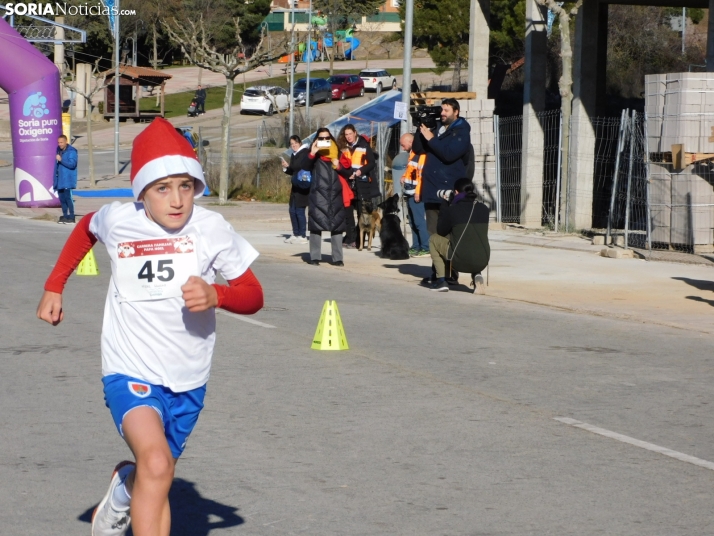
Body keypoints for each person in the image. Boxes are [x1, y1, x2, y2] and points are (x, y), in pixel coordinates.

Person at [36, 117, 264, 536]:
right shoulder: (121, 220)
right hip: (130, 369)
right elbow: (86, 227)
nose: (176, 200)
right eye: (162, 188)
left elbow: (253, 293)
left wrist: (219, 295)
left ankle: (125, 486)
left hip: (189, 378)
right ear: (141, 193)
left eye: (185, 186)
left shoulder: (211, 229)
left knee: (155, 474)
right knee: (157, 464)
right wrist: (55, 286)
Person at [413, 98, 473, 284]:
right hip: (432, 189)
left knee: (447, 235)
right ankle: (438, 272)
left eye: (446, 110)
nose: (442, 113)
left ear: (456, 112)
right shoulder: (438, 128)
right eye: (442, 110)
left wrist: (431, 138)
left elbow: (449, 154)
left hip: (449, 191)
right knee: (434, 234)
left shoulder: (462, 131)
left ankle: (449, 274)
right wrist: (421, 128)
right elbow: (418, 148)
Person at [426, 177, 490, 293]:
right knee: (472, 238)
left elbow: (441, 231)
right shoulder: (484, 208)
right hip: (483, 259)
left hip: (459, 261)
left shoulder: (453, 210)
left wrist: (445, 205)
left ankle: (441, 281)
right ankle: (477, 275)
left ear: (455, 192)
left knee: (434, 239)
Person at [302, 127, 346, 266]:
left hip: (335, 194)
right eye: (321, 138)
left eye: (327, 138)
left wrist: (338, 166)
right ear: (316, 140)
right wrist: (312, 153)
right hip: (318, 194)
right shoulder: (313, 154)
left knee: (337, 226)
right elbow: (304, 166)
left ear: (331, 138)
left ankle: (337, 258)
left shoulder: (338, 154)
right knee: (316, 225)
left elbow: (347, 171)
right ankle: (315, 257)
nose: (324, 141)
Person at [336, 124, 381, 249]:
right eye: (346, 134)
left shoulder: (364, 146)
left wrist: (361, 171)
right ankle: (351, 237)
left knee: (362, 213)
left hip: (362, 183)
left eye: (350, 134)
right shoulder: (343, 148)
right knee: (348, 212)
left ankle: (360, 239)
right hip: (348, 182)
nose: (348, 137)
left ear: (355, 133)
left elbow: (371, 163)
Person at [399, 133, 430, 257]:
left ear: (410, 142)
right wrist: (403, 177)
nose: (402, 147)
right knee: (412, 221)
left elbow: (421, 175)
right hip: (409, 192)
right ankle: (416, 246)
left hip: (416, 193)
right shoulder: (412, 154)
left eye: (403, 144)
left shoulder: (420, 155)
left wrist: (418, 191)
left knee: (419, 221)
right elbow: (410, 171)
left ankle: (425, 247)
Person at [281, 135, 310, 244]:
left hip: (303, 186)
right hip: (295, 186)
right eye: (292, 144)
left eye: (295, 143)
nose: (293, 146)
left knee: (299, 211)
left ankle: (302, 235)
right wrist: (286, 167)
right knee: (292, 210)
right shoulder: (294, 154)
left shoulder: (304, 153)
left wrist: (290, 166)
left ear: (300, 143)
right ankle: (295, 233)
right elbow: (293, 171)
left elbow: (299, 167)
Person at [54, 134, 78, 224]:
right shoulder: (59, 151)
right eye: (58, 142)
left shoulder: (71, 151)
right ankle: (65, 216)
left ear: (66, 142)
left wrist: (61, 160)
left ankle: (71, 216)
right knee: (62, 198)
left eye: (61, 142)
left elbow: (72, 165)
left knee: (68, 198)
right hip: (60, 179)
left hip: (68, 178)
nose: (59, 144)